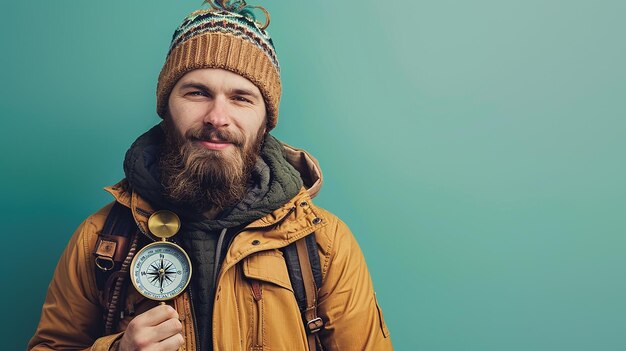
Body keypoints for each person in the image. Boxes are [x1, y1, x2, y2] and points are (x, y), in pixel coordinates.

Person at [28, 2, 392, 350]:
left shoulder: (324, 245)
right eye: (197, 92)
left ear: (265, 121)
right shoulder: (101, 240)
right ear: (166, 107)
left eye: (241, 98)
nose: (217, 117)